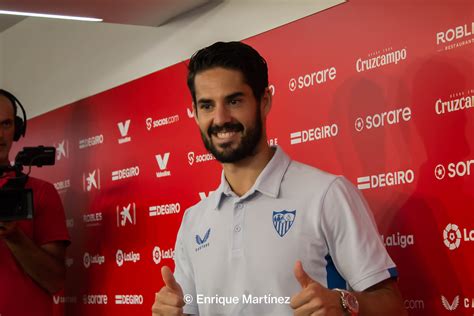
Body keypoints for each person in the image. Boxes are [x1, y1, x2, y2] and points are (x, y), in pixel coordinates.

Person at [152, 42, 406, 315]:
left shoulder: (326, 194)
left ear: (264, 101)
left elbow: (393, 306)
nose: (220, 118)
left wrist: (344, 303)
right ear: (195, 112)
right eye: (207, 105)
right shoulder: (194, 220)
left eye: (234, 101)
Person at [0, 89, 70, 316]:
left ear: (17, 129)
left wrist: (14, 236)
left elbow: (54, 281)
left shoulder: (41, 192)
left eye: (6, 124)